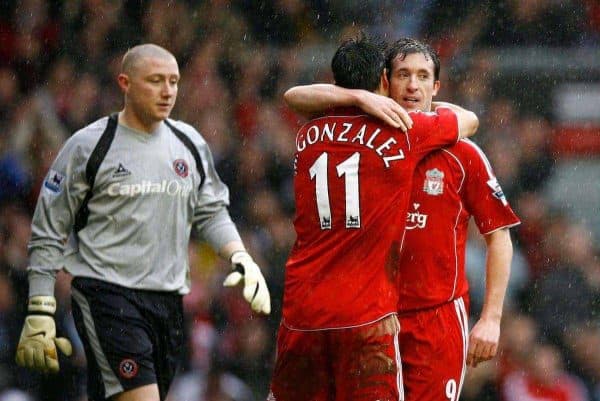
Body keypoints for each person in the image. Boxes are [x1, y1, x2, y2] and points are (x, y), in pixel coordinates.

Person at [14, 43, 271, 401]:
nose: (168, 91)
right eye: (155, 81)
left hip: (167, 302)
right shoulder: (88, 147)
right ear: (125, 83)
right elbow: (47, 230)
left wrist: (240, 256)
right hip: (107, 296)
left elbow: (211, 211)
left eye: (174, 82)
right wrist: (41, 305)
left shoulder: (189, 143)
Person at [284, 37, 520, 401]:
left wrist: (491, 318)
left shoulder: (463, 154)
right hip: (375, 317)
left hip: (434, 317)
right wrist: (360, 98)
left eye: (423, 76)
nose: (412, 85)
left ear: (436, 86)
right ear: (384, 82)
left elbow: (499, 236)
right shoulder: (371, 142)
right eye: (403, 75)